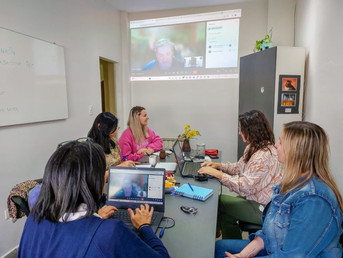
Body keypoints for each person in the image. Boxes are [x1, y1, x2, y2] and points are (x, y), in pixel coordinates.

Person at [18, 140, 169, 258]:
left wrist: (94, 219)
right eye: (104, 171)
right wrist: (144, 227)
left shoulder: (33, 218)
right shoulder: (109, 233)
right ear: (93, 182)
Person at [215, 121, 343, 258]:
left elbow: (292, 256)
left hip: (286, 255)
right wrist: (242, 255)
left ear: (296, 150)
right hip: (276, 247)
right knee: (219, 247)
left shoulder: (314, 200)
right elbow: (268, 234)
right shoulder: (291, 182)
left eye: (281, 142)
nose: (276, 145)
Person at [198, 110, 283, 239]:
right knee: (226, 212)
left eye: (242, 129)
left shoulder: (263, 156)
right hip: (254, 197)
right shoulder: (254, 147)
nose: (239, 132)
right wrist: (219, 166)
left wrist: (218, 174)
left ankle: (216, 236)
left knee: (220, 202)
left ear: (252, 131)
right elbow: (239, 168)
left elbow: (245, 186)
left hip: (264, 208)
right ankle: (231, 244)